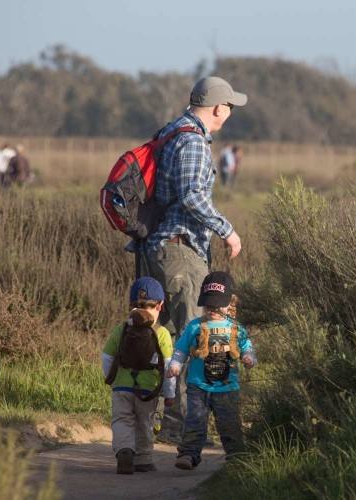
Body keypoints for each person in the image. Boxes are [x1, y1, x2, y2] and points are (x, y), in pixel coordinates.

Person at [142, 76, 247, 421]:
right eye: (230, 106)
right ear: (218, 108)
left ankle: (148, 419)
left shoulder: (171, 131)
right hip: (180, 251)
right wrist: (227, 230)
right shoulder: (193, 142)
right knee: (194, 341)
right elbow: (191, 196)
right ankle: (185, 428)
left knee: (162, 342)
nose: (230, 112)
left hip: (159, 248)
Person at [168, 271, 256, 469]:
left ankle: (237, 457)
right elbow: (181, 349)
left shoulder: (236, 328)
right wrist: (175, 364)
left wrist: (249, 357)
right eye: (208, 305)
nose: (212, 310)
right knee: (195, 420)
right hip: (198, 386)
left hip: (226, 388)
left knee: (229, 423)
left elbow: (246, 347)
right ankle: (189, 455)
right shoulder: (194, 327)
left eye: (217, 305)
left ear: (229, 303)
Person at [101, 276, 176, 474]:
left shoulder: (122, 329)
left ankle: (125, 450)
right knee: (145, 422)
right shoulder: (162, 333)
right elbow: (168, 367)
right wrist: (169, 394)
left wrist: (111, 378)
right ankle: (143, 459)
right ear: (160, 305)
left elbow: (107, 356)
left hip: (122, 387)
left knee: (122, 420)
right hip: (147, 390)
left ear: (130, 305)